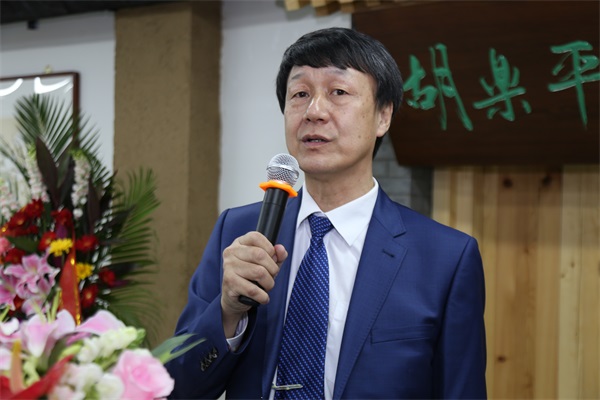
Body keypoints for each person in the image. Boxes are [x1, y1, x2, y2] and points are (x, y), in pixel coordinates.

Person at [166, 27, 487, 399]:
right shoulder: (239, 231)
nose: (314, 111)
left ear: (383, 116)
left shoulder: (446, 258)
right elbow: (179, 388)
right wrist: (227, 312)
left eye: (338, 92)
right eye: (300, 94)